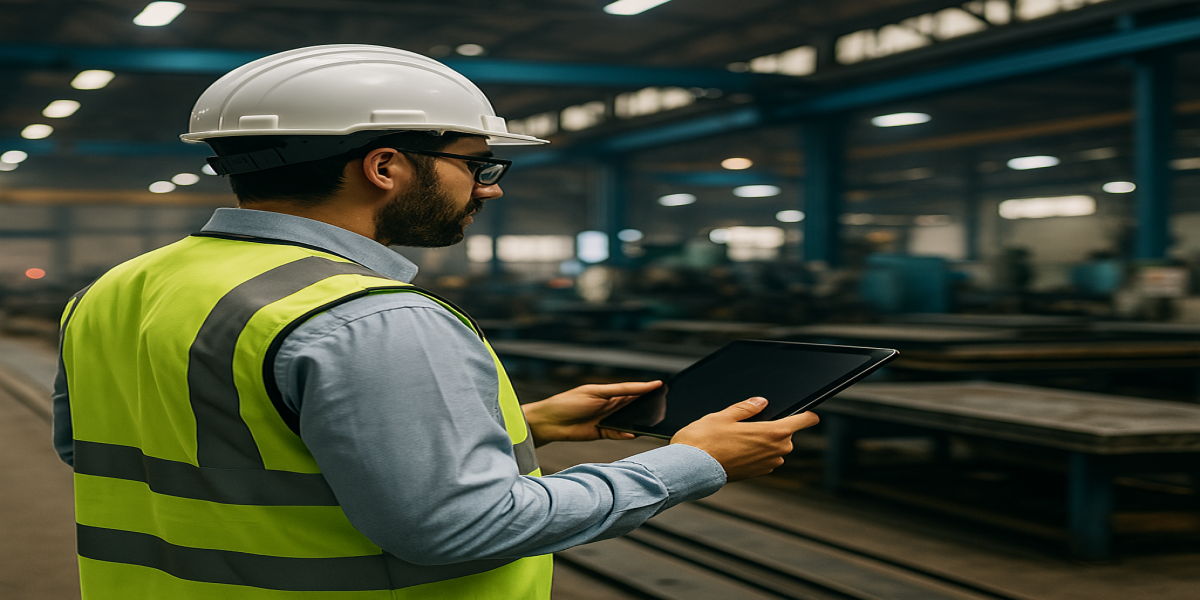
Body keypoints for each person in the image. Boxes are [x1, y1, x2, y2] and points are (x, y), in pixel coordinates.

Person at [53, 44, 820, 599]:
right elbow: (459, 528)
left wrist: (526, 424)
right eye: (476, 165)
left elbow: (143, 445)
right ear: (385, 167)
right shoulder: (368, 318)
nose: (489, 189)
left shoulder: (118, 289)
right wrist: (692, 462)